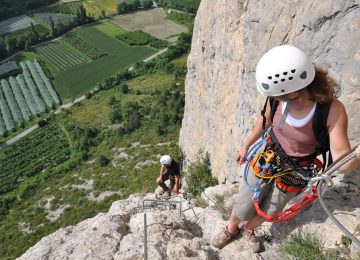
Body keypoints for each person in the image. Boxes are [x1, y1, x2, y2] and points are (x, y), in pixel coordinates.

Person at [212, 45, 360, 251]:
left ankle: (248, 229)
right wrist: (247, 144)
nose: (277, 100)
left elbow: (343, 164)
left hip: (298, 168)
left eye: (282, 97)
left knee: (271, 209)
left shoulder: (332, 110)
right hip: (268, 153)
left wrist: (357, 154)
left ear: (293, 88)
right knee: (245, 202)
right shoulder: (277, 95)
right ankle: (231, 227)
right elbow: (265, 120)